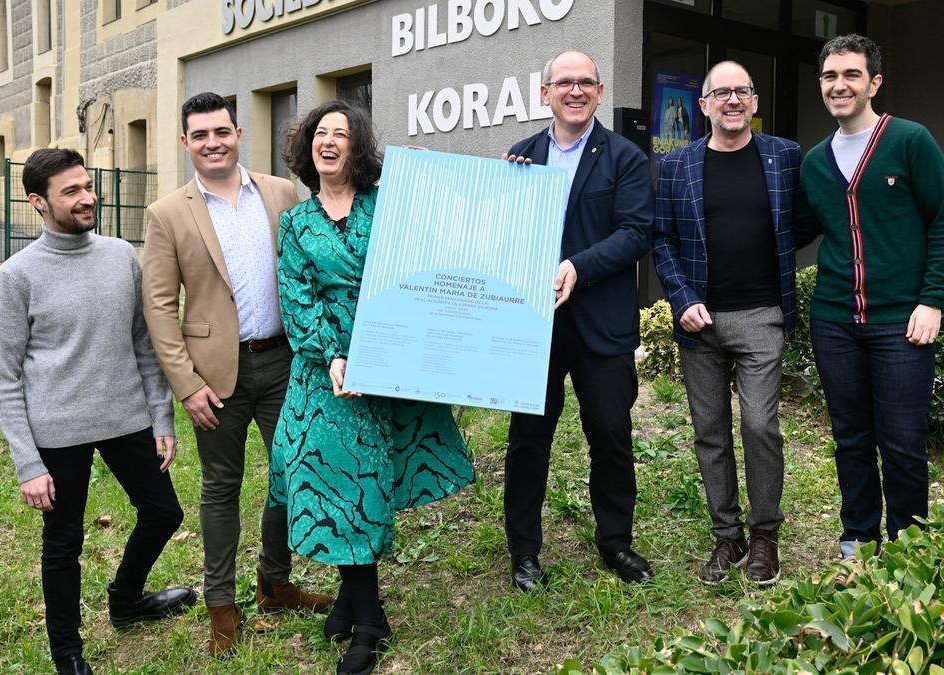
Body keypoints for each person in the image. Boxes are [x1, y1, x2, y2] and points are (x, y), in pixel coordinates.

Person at [271, 98, 476, 675]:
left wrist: (436, 174)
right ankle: (366, 612)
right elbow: (297, 294)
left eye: (341, 133)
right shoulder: (295, 222)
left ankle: (363, 615)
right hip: (324, 374)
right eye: (319, 133)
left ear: (358, 148)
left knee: (362, 485)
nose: (328, 141)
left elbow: (438, 245)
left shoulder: (388, 205)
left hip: (390, 359)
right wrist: (332, 354)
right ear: (308, 147)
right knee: (336, 482)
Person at [0, 149, 195, 675]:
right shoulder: (17, 276)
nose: (87, 198)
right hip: (57, 432)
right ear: (38, 202)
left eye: (87, 186)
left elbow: (144, 343)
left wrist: (161, 416)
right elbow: (2, 377)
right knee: (63, 545)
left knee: (165, 513)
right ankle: (68, 655)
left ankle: (126, 600)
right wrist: (28, 463)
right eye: (71, 192)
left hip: (127, 416)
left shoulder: (120, 254)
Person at [141, 92, 333, 657]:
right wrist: (186, 384)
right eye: (199, 135)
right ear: (186, 143)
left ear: (238, 133)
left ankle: (274, 584)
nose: (212, 142)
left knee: (289, 475)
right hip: (213, 376)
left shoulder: (279, 193)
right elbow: (158, 306)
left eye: (221, 131)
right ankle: (221, 606)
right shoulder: (167, 213)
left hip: (285, 362)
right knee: (221, 489)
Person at [795, 35, 944, 557]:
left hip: (901, 321)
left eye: (851, 75)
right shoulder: (816, 162)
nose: (839, 85)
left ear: (874, 83)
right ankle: (859, 538)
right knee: (850, 438)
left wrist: (932, 300)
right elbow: (794, 228)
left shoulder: (910, 141)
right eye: (829, 76)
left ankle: (909, 546)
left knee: (903, 443)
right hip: (834, 321)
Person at [502, 49, 654, 591]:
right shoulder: (520, 156)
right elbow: (502, 237)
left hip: (601, 324)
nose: (575, 90)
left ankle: (616, 542)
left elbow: (637, 232)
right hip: (534, 326)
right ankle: (524, 551)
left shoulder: (625, 157)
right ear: (544, 94)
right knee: (528, 441)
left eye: (585, 82)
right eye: (563, 82)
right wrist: (501, 195)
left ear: (599, 91)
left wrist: (577, 267)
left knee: (610, 435)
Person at [653, 61, 802, 585]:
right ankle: (727, 536)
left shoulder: (785, 157)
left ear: (755, 102)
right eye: (722, 92)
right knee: (709, 431)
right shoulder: (677, 166)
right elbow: (663, 239)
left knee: (760, 425)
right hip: (701, 321)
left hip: (763, 314)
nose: (732, 100)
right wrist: (682, 297)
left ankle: (765, 536)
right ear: (704, 104)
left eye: (742, 91)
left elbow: (803, 220)